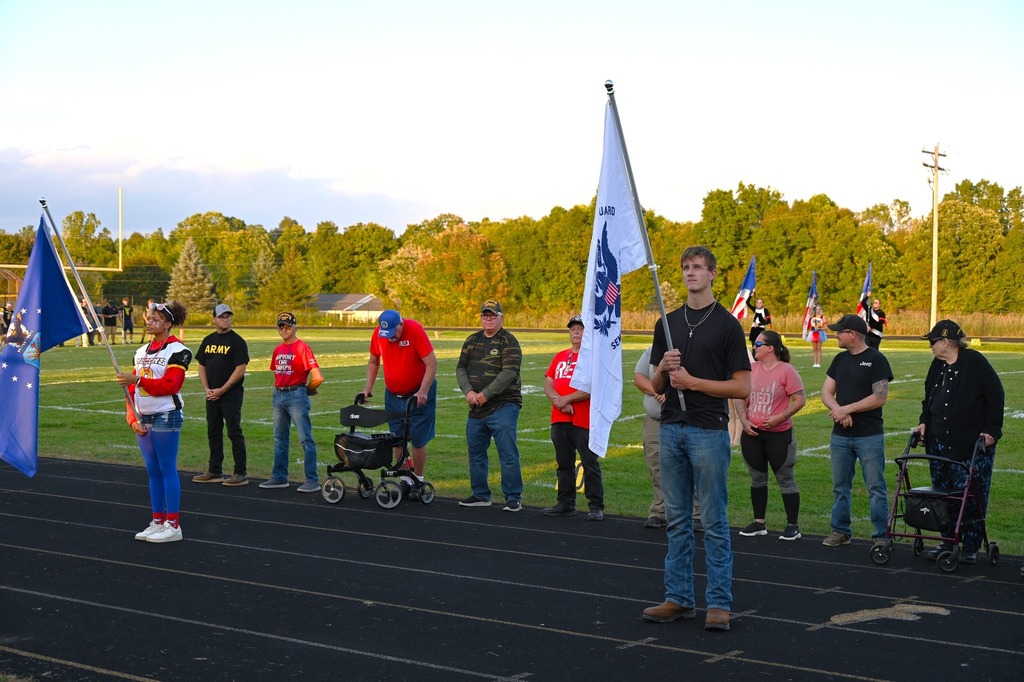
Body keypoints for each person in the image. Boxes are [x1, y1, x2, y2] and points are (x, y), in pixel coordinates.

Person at [641, 246, 751, 633]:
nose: (691, 273)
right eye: (686, 267)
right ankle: (679, 597)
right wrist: (665, 372)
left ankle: (719, 602)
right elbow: (655, 384)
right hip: (670, 426)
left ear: (712, 274)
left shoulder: (726, 325)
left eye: (698, 267)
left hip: (707, 430)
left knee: (715, 520)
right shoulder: (666, 323)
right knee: (676, 519)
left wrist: (693, 382)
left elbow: (742, 385)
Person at [912, 320, 1004, 564]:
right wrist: (924, 422)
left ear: (945, 341)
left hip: (970, 443)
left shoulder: (973, 361)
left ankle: (971, 547)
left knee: (971, 495)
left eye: (932, 341)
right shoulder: (937, 364)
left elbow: (996, 395)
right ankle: (948, 540)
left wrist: (992, 430)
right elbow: (928, 398)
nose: (930, 346)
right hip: (938, 441)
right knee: (943, 493)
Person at [115, 301, 192, 543]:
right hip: (143, 416)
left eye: (157, 319)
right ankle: (157, 521)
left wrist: (137, 380)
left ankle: (173, 524)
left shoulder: (178, 350)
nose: (150, 321)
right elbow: (130, 389)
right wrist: (131, 417)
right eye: (149, 318)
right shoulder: (140, 352)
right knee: (152, 470)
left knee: (166, 467)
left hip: (166, 413)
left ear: (168, 324)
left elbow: (171, 385)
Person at [820, 313, 893, 548]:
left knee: (875, 487)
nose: (836, 335)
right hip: (841, 435)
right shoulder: (839, 360)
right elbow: (826, 392)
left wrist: (846, 409)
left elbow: (879, 397)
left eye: (839, 332)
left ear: (852, 335)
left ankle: (881, 535)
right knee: (840, 486)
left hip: (869, 435)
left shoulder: (876, 359)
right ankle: (840, 530)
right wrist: (840, 411)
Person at [735, 330, 807, 540]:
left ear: (770, 348)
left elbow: (800, 400)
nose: (754, 347)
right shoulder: (751, 369)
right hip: (752, 434)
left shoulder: (787, 371)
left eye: (758, 344)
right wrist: (744, 420)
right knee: (757, 479)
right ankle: (759, 523)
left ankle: (793, 525)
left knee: (785, 479)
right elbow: (740, 396)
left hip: (778, 434)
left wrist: (779, 418)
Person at [455, 299, 524, 512]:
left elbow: (508, 373)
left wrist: (485, 394)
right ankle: (480, 494)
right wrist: (469, 392)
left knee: (507, 451)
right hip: (476, 407)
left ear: (501, 318)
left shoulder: (508, 341)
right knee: (475, 452)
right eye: (485, 315)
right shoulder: (471, 340)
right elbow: (461, 369)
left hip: (504, 404)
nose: (488, 318)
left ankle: (513, 497)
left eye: (492, 315)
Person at [362, 309, 438, 483]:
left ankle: (418, 478)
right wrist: (367, 387)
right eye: (385, 333)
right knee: (396, 440)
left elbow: (432, 363)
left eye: (393, 332)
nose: (390, 337)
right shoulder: (379, 334)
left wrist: (423, 391)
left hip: (418, 394)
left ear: (401, 323)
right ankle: (405, 479)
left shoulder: (415, 330)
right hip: (393, 395)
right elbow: (374, 361)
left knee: (418, 440)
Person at [542, 315, 604, 521]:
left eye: (580, 329)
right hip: (559, 418)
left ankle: (596, 506)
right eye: (573, 329)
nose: (576, 332)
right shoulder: (560, 356)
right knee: (563, 463)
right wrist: (558, 400)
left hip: (583, 418)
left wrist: (567, 399)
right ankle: (565, 502)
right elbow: (548, 382)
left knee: (589, 463)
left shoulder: (592, 357)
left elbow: (592, 386)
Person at [634, 345, 703, 531]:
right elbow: (639, 377)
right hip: (657, 420)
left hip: (689, 420)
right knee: (657, 466)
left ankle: (698, 513)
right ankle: (660, 511)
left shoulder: (696, 348)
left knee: (695, 467)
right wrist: (657, 391)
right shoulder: (652, 350)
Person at [259, 312, 324, 493]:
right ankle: (279, 477)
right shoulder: (278, 349)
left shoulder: (302, 347)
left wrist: (306, 390)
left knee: (305, 439)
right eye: (281, 326)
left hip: (296, 394)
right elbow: (277, 372)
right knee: (279, 439)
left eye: (287, 326)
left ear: (295, 327)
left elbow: (318, 377)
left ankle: (312, 480)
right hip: (278, 395)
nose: (284, 329)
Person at [192, 304, 250, 487]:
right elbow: (202, 365)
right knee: (213, 431)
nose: (225, 319)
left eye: (228, 316)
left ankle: (240, 472)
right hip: (212, 394)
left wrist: (222, 389)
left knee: (234, 431)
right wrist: (206, 389)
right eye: (222, 316)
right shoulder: (208, 340)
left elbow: (240, 369)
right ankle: (215, 470)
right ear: (214, 319)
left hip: (230, 395)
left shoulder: (237, 341)